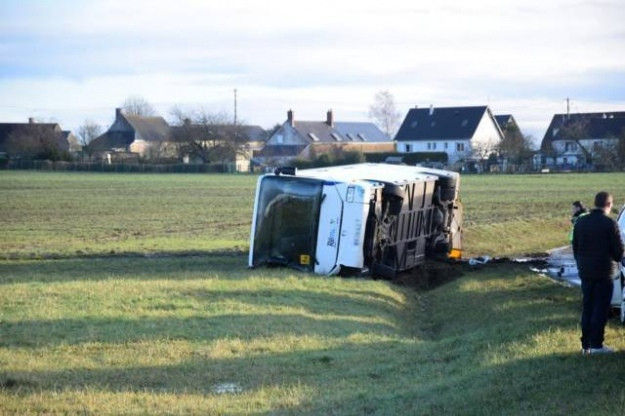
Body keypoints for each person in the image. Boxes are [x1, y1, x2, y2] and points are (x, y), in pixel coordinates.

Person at [572, 191, 624, 354]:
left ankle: (585, 345)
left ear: (595, 203)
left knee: (587, 307)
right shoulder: (610, 224)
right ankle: (597, 345)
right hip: (604, 272)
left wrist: (582, 264)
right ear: (609, 205)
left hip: (585, 272)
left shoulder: (580, 223)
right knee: (600, 308)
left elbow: (575, 247)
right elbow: (617, 253)